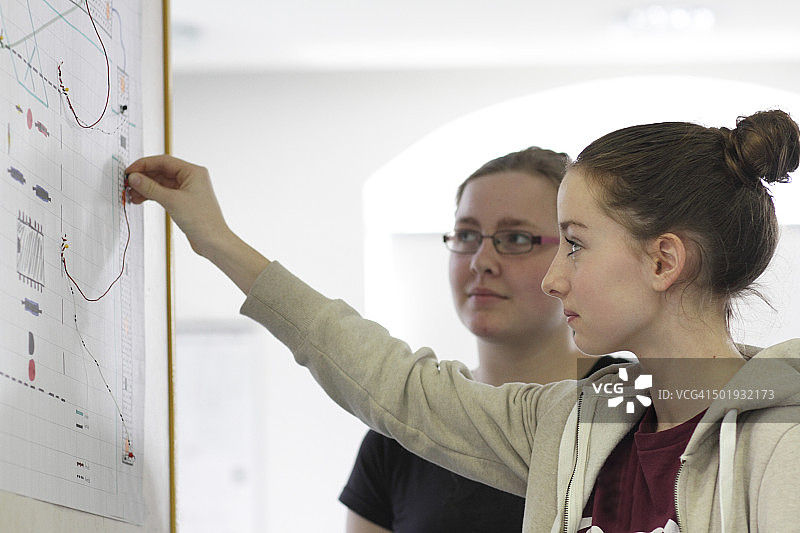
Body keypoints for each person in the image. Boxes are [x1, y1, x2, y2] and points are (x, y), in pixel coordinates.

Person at [126, 109, 800, 533]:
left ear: (663, 260)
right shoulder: (597, 412)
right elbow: (398, 386)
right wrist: (217, 241)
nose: (555, 274)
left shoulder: (781, 430)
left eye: (574, 242)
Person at [338, 148, 622, 533]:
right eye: (467, 235)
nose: (481, 261)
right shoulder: (403, 428)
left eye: (516, 238)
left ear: (572, 251)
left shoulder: (631, 398)